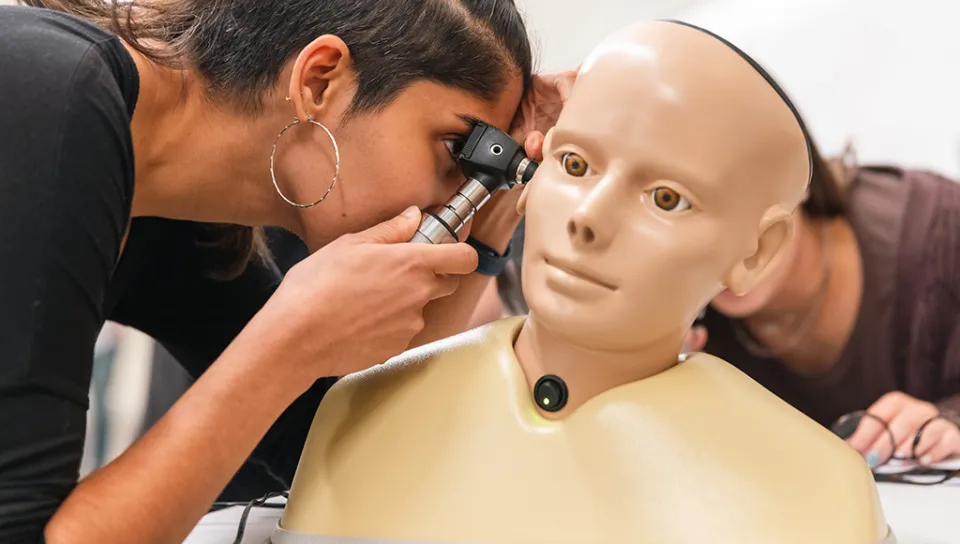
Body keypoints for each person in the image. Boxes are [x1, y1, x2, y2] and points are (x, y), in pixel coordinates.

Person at [275, 20, 892, 544]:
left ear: (756, 253)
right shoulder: (359, 413)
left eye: (667, 198)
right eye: (574, 165)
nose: (589, 216)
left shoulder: (819, 493)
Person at [0, 1, 576, 541]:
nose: (451, 206)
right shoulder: (49, 95)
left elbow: (334, 448)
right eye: (456, 152)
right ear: (320, 80)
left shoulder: (168, 214)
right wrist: (288, 341)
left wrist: (506, 193)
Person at [684, 135, 960, 468]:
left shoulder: (941, 231)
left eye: (737, 190)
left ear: (800, 174)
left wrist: (950, 419)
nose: (714, 240)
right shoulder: (679, 321)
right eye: (673, 202)